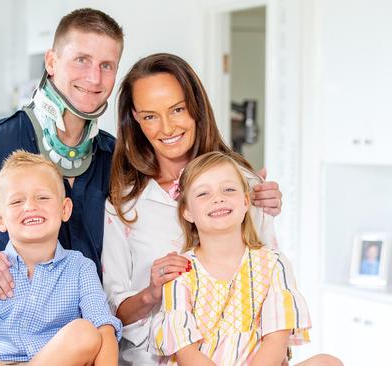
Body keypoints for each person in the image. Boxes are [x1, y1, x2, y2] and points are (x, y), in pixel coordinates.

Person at [0, 8, 282, 298]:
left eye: (106, 65)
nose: (94, 78)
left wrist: (245, 193)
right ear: (51, 63)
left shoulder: (111, 156)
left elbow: (177, 204)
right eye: (81, 60)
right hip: (8, 345)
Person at [102, 53, 283, 365]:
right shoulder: (124, 206)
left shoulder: (247, 187)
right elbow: (112, 312)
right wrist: (151, 293)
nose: (167, 127)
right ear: (134, 119)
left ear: (196, 107)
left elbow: (272, 288)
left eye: (177, 109)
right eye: (149, 116)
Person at [0, 150, 121, 366]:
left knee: (85, 332)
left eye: (42, 197)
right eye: (17, 202)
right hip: (0, 362)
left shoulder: (80, 267)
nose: (30, 206)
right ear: (0, 220)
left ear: (65, 209)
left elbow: (104, 329)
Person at [149, 151, 317, 365]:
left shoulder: (274, 264)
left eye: (228, 189)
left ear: (246, 202)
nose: (218, 198)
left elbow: (276, 343)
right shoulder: (181, 272)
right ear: (187, 212)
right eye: (203, 194)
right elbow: (186, 353)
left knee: (327, 362)